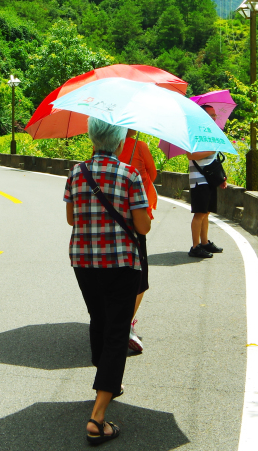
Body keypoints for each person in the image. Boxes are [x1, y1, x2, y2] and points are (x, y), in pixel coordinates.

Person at [65, 117, 152, 446]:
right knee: (117, 330)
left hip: (83, 261)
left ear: (91, 139)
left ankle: (108, 382)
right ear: (118, 142)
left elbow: (72, 218)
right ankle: (97, 418)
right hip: (120, 263)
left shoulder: (76, 172)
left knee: (99, 320)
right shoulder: (129, 175)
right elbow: (142, 227)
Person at [117, 129, 156, 354]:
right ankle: (127, 323)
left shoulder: (102, 147)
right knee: (139, 275)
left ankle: (112, 321)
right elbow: (152, 173)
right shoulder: (140, 146)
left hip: (109, 215)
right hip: (136, 213)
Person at [186, 105, 226, 258]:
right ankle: (195, 247)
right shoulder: (193, 133)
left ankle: (204, 243)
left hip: (209, 178)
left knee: (206, 212)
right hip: (198, 180)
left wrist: (221, 177)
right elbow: (191, 155)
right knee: (199, 213)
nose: (214, 117)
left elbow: (214, 159)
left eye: (214, 115)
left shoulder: (210, 133)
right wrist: (213, 149)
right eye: (210, 115)